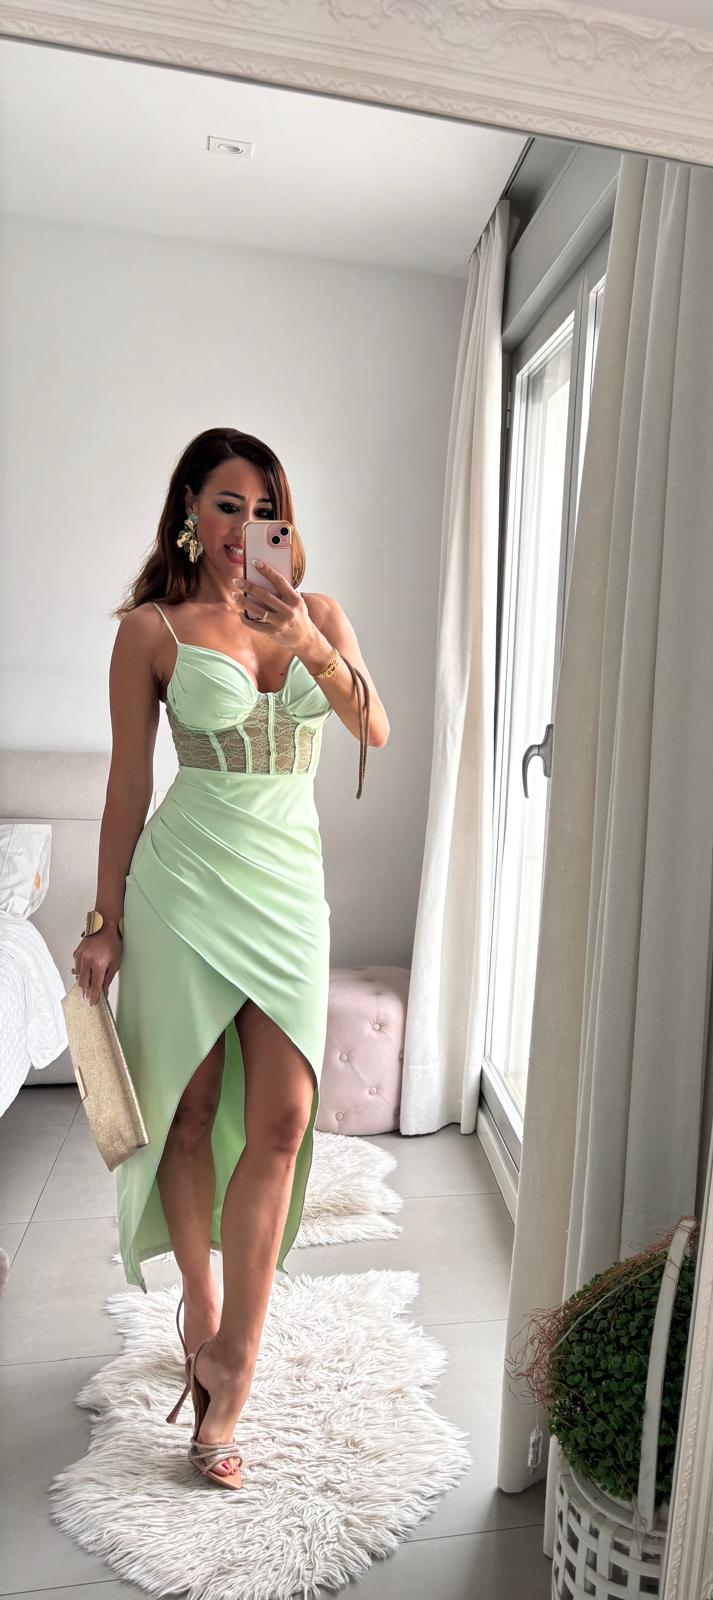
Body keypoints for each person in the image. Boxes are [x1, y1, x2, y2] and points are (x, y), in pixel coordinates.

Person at [72, 427, 389, 1488]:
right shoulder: (151, 630)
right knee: (192, 1109)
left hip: (288, 889)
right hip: (184, 888)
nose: (242, 527)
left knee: (285, 1119)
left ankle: (235, 1356)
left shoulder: (318, 614)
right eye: (225, 505)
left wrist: (304, 638)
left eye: (263, 511)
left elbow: (374, 728)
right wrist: (105, 918)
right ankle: (205, 1317)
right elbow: (128, 784)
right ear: (188, 511)